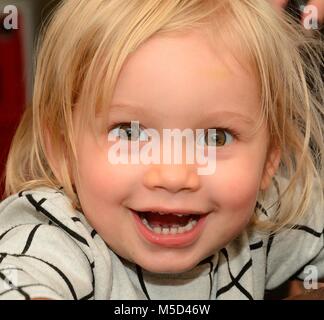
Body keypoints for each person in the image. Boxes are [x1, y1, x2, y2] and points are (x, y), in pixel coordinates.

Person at [0, 0, 323, 300]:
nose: (173, 175)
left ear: (269, 160)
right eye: (129, 133)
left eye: (216, 138)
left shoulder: (265, 217)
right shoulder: (54, 232)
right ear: (63, 151)